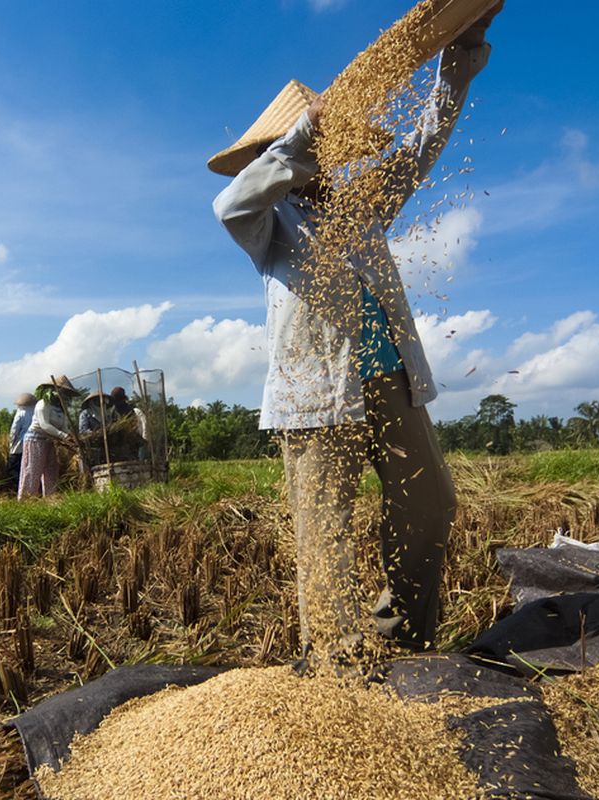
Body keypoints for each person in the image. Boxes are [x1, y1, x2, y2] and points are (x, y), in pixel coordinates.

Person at [210, 8, 500, 668]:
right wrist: (298, 144)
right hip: (316, 398)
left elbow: (425, 142)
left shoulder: (361, 203)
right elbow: (228, 205)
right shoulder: (268, 220)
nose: (332, 152)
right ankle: (336, 669)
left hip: (393, 382)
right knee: (325, 536)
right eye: (321, 141)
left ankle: (404, 639)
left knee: (432, 504)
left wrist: (457, 63)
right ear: (279, 151)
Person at [19, 375, 80, 499]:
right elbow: (44, 425)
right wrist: (63, 436)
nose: (64, 395)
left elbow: (64, 427)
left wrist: (70, 437)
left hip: (51, 441)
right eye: (62, 392)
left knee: (51, 470)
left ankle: (50, 499)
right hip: (36, 440)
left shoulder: (62, 409)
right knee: (33, 470)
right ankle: (26, 500)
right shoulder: (43, 404)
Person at [7, 392, 36, 490]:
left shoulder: (20, 413)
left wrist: (11, 443)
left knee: (14, 468)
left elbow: (14, 430)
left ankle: (18, 489)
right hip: (34, 444)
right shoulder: (35, 412)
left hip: (20, 445)